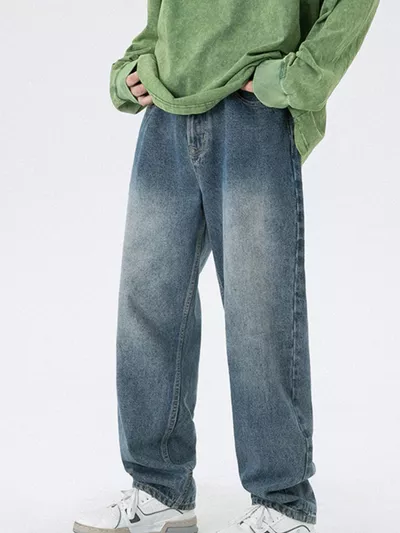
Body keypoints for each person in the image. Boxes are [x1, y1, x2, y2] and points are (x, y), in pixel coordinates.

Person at [73, 0, 380, 532]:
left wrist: (299, 78)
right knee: (146, 307)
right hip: (166, 115)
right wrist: (133, 69)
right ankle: (159, 490)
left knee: (260, 314)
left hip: (254, 112)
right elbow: (164, 16)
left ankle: (283, 504)